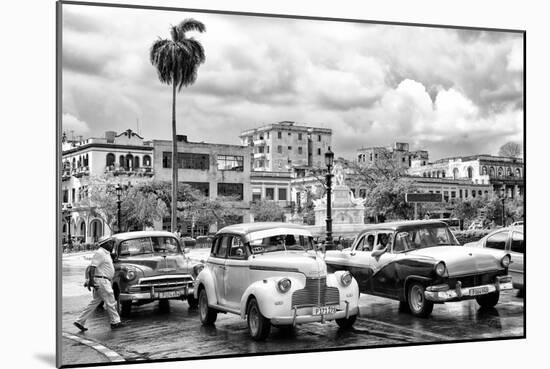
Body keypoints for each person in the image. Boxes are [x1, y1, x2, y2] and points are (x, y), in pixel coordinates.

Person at [73, 241, 123, 331]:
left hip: (103, 280)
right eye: (110, 243)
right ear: (105, 244)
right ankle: (115, 322)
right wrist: (91, 281)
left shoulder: (106, 253)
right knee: (110, 301)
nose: (112, 245)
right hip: (102, 281)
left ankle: (79, 321)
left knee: (94, 303)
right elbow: (92, 267)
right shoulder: (100, 253)